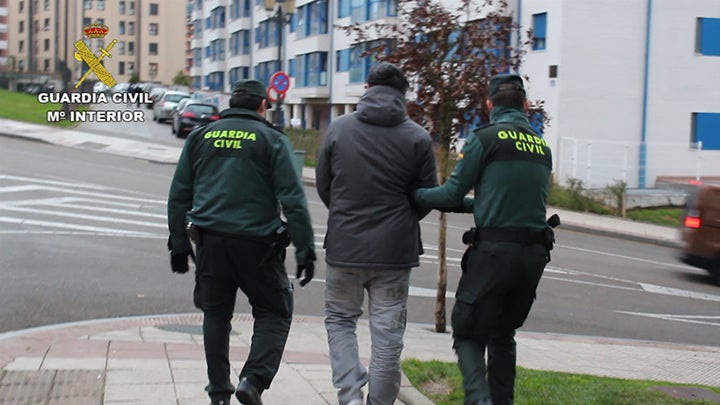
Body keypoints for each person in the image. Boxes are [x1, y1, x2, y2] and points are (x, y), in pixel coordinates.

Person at [167, 79, 316, 405]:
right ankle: (253, 380)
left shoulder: (200, 137)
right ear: (263, 105)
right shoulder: (272, 140)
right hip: (258, 247)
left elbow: (179, 194)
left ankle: (219, 393)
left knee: (216, 315)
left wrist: (178, 243)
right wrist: (305, 250)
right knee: (274, 312)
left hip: (210, 243)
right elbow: (292, 198)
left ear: (230, 103)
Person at [412, 74, 554, 405]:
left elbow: (450, 194)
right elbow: (504, 203)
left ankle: (479, 400)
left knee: (468, 333)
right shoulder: (541, 145)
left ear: (490, 104)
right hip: (534, 255)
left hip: (493, 255)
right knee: (503, 335)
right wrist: (472, 206)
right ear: (526, 105)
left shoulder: (485, 139)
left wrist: (414, 194)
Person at [315, 62, 438, 405]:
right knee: (387, 337)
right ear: (403, 95)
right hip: (395, 253)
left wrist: (344, 213)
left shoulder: (338, 129)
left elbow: (325, 185)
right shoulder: (417, 137)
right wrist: (403, 218)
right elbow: (427, 194)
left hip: (345, 247)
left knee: (340, 320)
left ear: (367, 87)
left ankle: (350, 396)